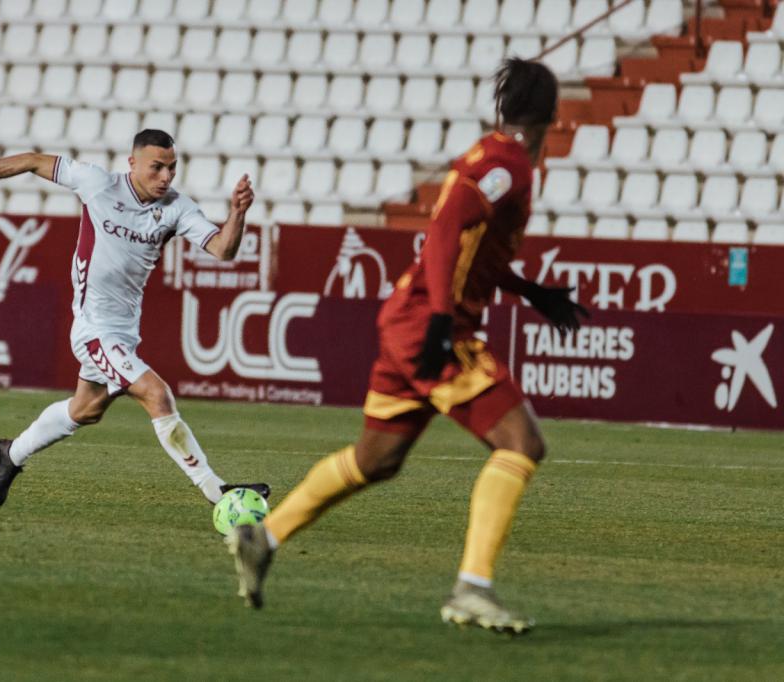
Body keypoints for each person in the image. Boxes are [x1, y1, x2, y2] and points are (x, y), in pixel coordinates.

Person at [226, 59, 587, 634]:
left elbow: (470, 245)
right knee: (522, 444)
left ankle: (262, 539)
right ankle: (473, 588)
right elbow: (444, 232)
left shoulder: (488, 155)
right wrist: (442, 318)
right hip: (429, 324)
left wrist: (529, 291)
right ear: (553, 115)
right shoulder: (509, 166)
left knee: (376, 459)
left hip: (408, 318)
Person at [0, 129, 269, 507]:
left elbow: (223, 250)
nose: (166, 177)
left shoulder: (177, 207)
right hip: (93, 329)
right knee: (157, 395)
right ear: (132, 163)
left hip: (124, 332)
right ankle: (216, 491)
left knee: (86, 409)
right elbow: (31, 160)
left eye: (172, 168)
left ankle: (11, 454)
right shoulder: (98, 184)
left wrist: (237, 213)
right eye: (157, 167)